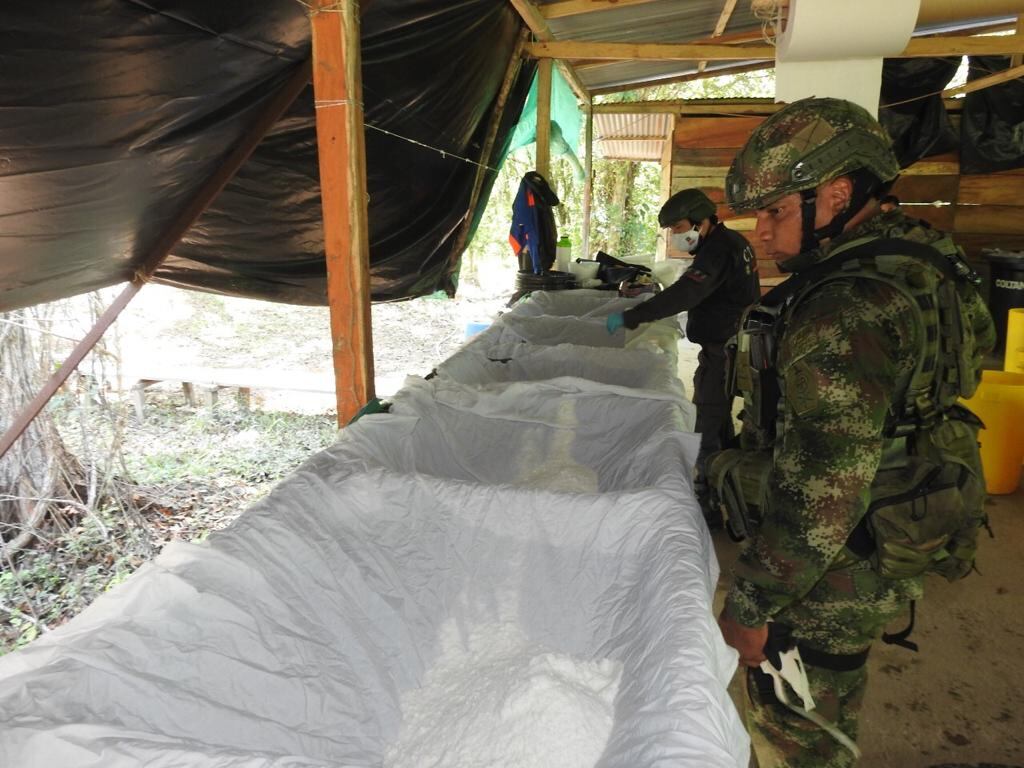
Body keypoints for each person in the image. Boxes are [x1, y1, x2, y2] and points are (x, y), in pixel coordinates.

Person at [709, 97, 995, 766]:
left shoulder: (842, 309)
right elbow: (972, 359)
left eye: (775, 211)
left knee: (797, 722)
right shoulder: (927, 258)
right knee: (829, 695)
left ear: (836, 194)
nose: (761, 233)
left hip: (839, 564)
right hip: (909, 508)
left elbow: (823, 491)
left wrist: (751, 604)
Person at [606, 188, 759, 524]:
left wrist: (635, 315)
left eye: (678, 228)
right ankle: (729, 489)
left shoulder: (718, 250)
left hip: (726, 349)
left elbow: (688, 292)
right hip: (731, 344)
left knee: (705, 419)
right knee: (718, 421)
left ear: (702, 222)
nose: (676, 236)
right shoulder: (732, 243)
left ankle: (706, 504)